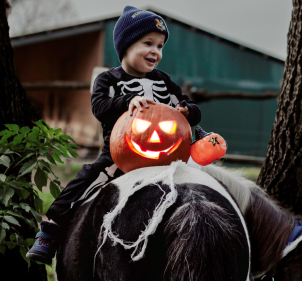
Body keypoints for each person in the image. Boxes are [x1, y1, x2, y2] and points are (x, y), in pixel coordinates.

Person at [26, 6, 202, 263]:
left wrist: (188, 110)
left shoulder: (164, 81)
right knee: (85, 178)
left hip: (170, 156)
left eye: (160, 46)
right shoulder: (109, 80)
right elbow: (98, 108)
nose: (156, 51)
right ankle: (49, 232)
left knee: (209, 183)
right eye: (148, 43)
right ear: (127, 45)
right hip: (120, 155)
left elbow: (191, 108)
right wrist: (126, 101)